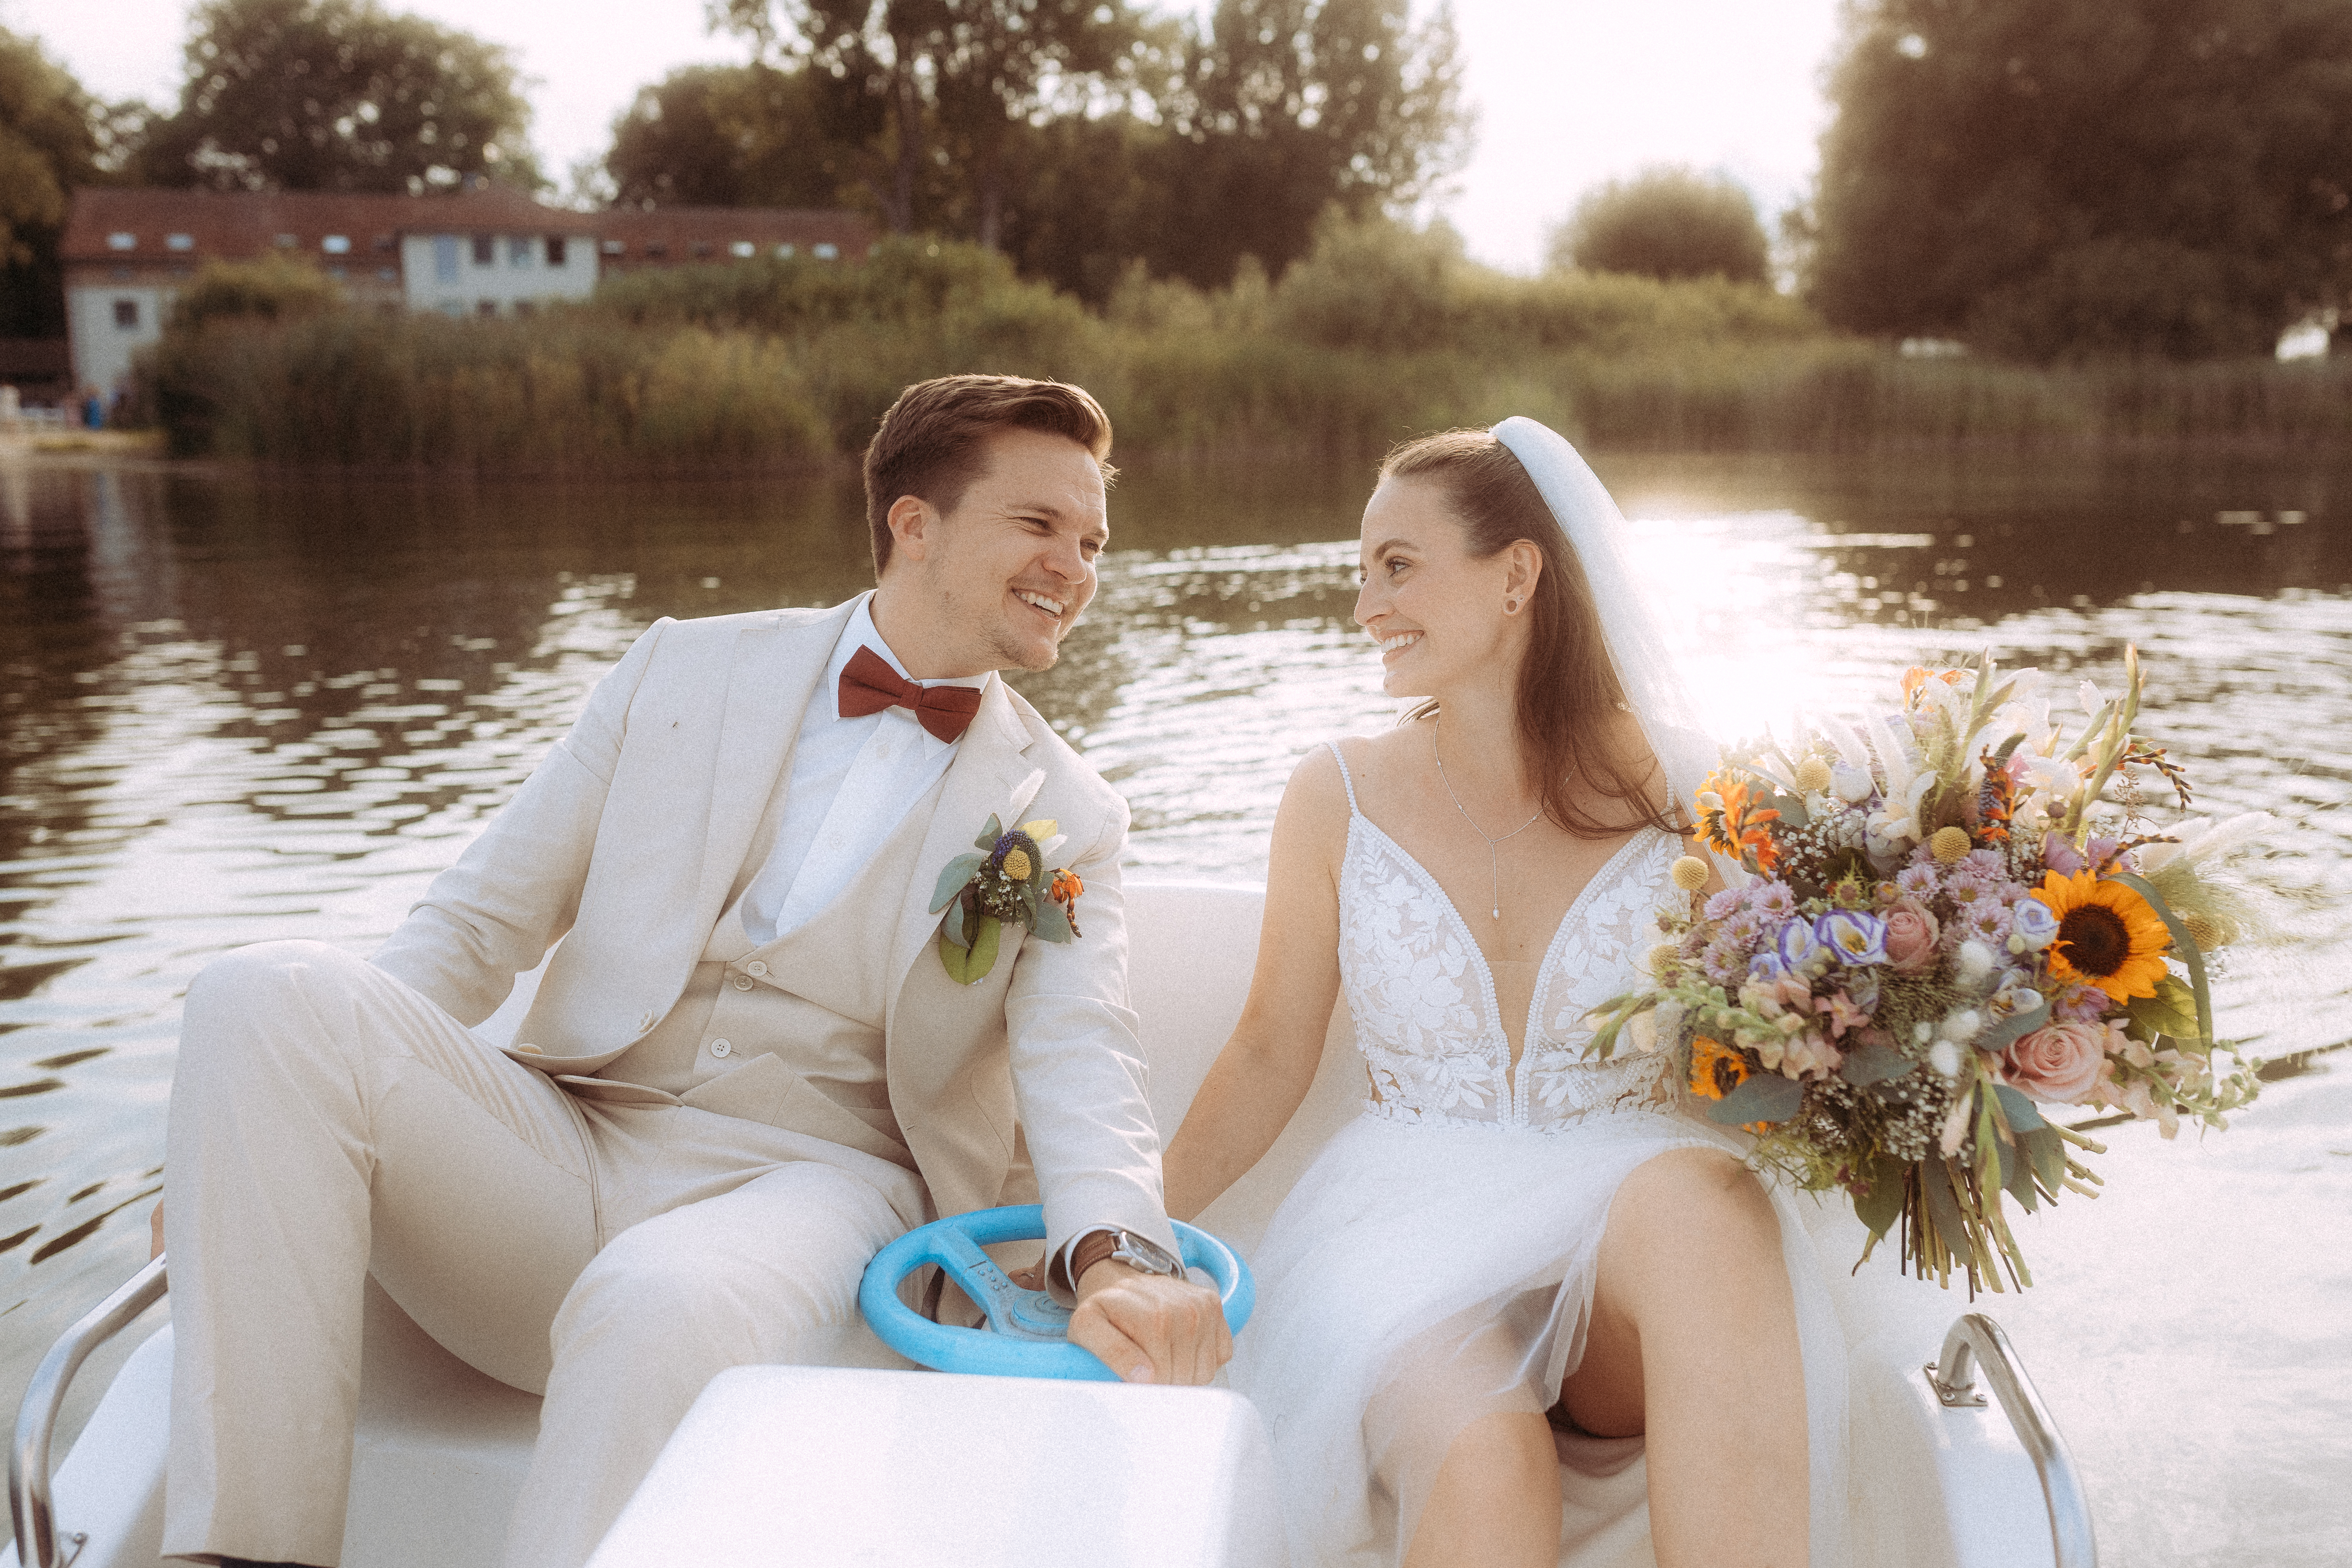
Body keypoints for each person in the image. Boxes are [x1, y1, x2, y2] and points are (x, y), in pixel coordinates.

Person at [157, 374, 1231, 1568]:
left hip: (816, 1192)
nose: (1075, 568)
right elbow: (479, 923)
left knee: (656, 1303)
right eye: (1040, 527)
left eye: (1091, 542)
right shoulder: (681, 668)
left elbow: (1084, 1047)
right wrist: (260, 1138)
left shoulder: (1063, 816)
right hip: (565, 1148)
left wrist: (1123, 1256)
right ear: (912, 524)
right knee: (258, 993)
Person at [1161, 419, 1848, 1568]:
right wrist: (1114, 1229)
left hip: (1622, 1225)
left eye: (1398, 565)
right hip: (1404, 1227)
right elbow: (1272, 1048)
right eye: (1362, 571)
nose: (1368, 604)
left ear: (1518, 574)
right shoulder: (1336, 793)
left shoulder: (1695, 788)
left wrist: (1907, 1056)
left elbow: (1776, 1032)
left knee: (1705, 1198)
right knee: (1490, 1465)